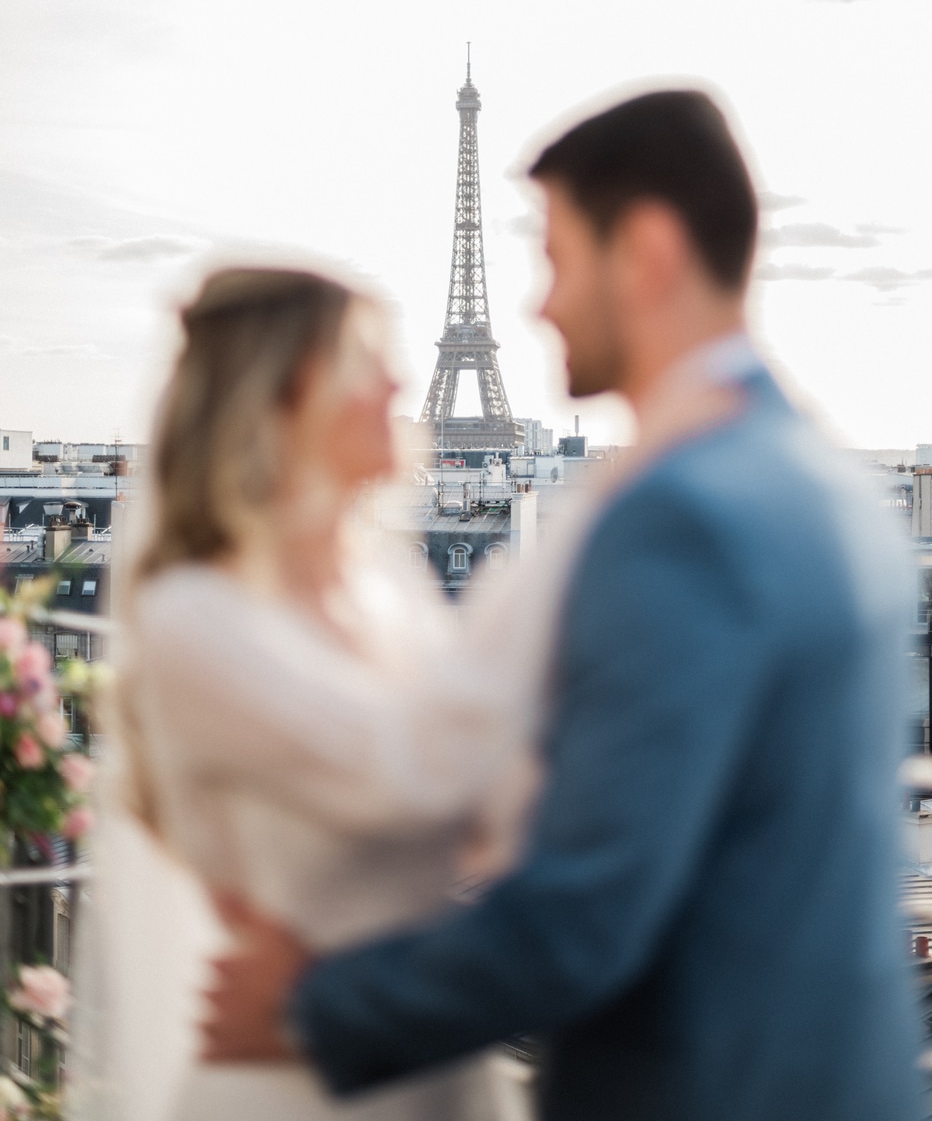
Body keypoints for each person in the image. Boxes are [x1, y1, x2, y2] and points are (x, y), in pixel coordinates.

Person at [201, 89, 922, 1121]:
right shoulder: (832, 485)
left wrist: (312, 1006)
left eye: (556, 256)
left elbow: (584, 915)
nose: (537, 303)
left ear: (646, 251)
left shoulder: (680, 519)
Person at [96, 267, 544, 1121]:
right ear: (285, 395)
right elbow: (426, 777)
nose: (402, 383)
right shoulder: (193, 617)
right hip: (300, 1081)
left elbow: (494, 801)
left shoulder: (387, 585)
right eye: (366, 359)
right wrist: (550, 579)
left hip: (420, 1051)